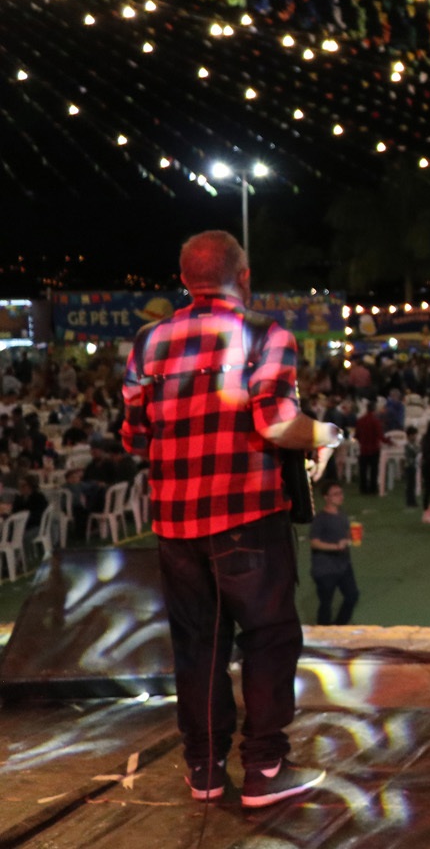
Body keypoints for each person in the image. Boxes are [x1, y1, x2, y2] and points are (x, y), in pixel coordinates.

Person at [121, 230, 340, 807]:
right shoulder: (266, 334)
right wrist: (326, 433)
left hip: (175, 525)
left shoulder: (148, 341)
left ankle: (205, 768)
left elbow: (134, 436)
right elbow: (277, 423)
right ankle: (265, 767)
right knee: (268, 637)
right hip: (248, 516)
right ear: (243, 277)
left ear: (184, 279)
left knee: (199, 644)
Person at [308, 480, 360, 625]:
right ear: (326, 497)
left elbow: (344, 536)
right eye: (335, 494)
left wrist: (352, 536)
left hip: (343, 565)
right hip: (325, 569)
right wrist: (336, 547)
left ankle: (339, 626)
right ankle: (323, 631)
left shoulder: (342, 515)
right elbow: (314, 542)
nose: (340, 496)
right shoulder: (320, 519)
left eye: (341, 493)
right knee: (326, 604)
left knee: (352, 595)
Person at [354, 400, 383, 496]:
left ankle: (363, 488)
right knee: (374, 470)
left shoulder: (360, 420)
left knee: (363, 470)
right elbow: (380, 435)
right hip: (374, 448)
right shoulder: (376, 421)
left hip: (363, 449)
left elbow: (357, 435)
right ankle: (373, 488)